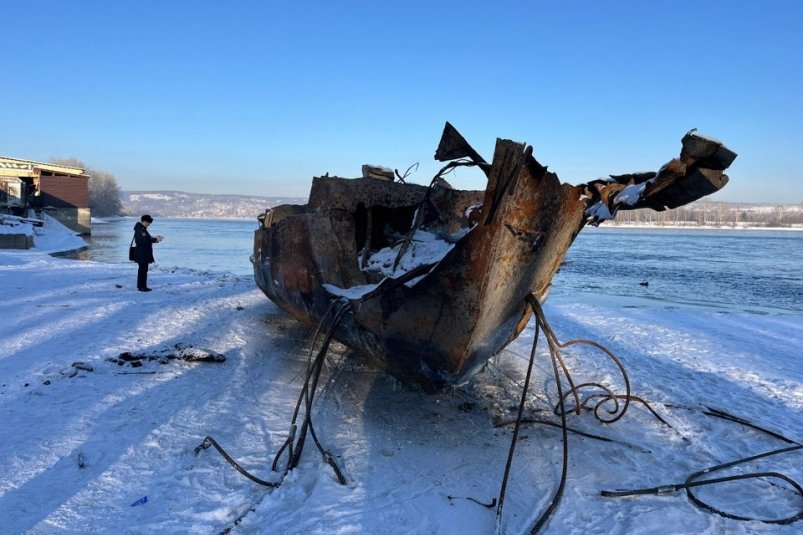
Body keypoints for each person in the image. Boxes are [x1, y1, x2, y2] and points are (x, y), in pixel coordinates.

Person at [132, 214, 164, 292]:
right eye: (149, 222)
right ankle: (142, 287)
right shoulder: (141, 229)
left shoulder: (140, 228)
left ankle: (141, 286)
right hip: (142, 252)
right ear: (145, 221)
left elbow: (145, 239)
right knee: (143, 270)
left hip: (141, 252)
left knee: (142, 270)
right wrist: (156, 239)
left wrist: (155, 239)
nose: (149, 224)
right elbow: (145, 241)